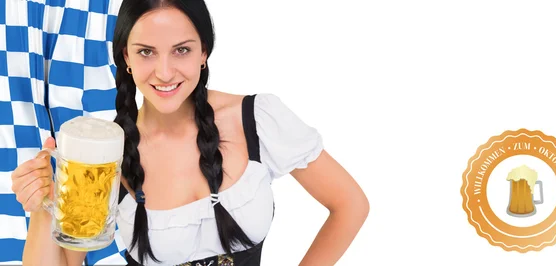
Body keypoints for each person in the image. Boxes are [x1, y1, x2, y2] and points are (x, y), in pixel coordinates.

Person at [10, 0, 370, 265]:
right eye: (147, 52)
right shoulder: (107, 153)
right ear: (126, 59)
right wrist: (44, 205)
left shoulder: (256, 118)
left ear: (204, 53)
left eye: (181, 50)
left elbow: (349, 204)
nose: (164, 72)